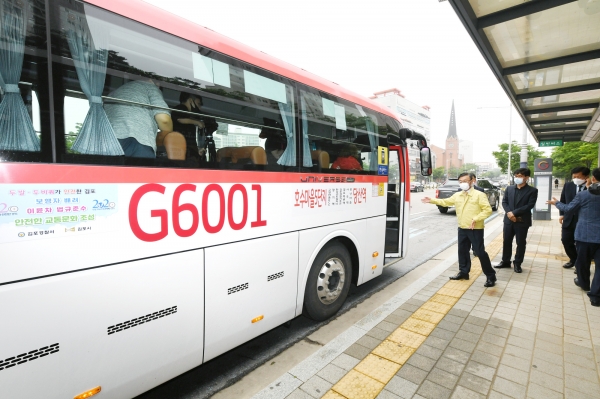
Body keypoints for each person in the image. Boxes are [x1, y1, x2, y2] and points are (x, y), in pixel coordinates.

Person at [422, 172, 496, 287]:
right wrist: (432, 200)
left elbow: (487, 210)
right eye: (460, 182)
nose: (462, 184)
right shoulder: (458, 195)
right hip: (462, 227)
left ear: (473, 181)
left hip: (475, 228)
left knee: (480, 252)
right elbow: (445, 202)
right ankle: (464, 272)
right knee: (462, 251)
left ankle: (491, 276)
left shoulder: (479, 195)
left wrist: (476, 218)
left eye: (465, 181)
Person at [547, 168, 600, 307]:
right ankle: (595, 296)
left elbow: (569, 208)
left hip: (585, 235)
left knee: (583, 261)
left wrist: (556, 203)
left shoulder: (584, 195)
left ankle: (583, 283)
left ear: (592, 178)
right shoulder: (581, 191)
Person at [105, 79, 173, 158]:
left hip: (108, 142)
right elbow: (164, 120)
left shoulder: (111, 94)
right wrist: (167, 139)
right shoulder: (149, 86)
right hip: (138, 142)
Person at [494, 168, 538, 273]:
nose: (517, 178)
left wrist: (514, 213)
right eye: (516, 176)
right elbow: (504, 202)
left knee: (521, 243)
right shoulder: (509, 189)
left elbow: (530, 205)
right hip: (509, 221)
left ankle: (517, 263)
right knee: (507, 241)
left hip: (522, 221)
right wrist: (510, 213)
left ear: (526, 178)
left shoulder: (532, 191)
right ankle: (505, 261)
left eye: (520, 176)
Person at [171, 92, 218, 166]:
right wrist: (197, 122)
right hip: (180, 153)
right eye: (198, 104)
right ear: (190, 100)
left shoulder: (190, 116)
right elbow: (180, 119)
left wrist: (197, 151)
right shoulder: (181, 108)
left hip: (188, 153)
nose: (199, 107)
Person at [559, 167, 590, 269]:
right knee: (566, 240)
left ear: (586, 177)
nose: (576, 178)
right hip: (569, 219)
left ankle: (581, 265)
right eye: (574, 176)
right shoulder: (568, 185)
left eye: (578, 177)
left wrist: (590, 187)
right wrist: (562, 214)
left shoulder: (592, 188)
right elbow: (563, 199)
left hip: (584, 220)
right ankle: (574, 259)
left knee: (581, 244)